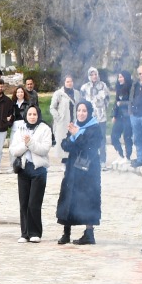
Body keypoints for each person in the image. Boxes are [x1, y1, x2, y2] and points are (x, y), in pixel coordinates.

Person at [56, 100, 103, 247]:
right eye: (79, 111)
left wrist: (78, 136)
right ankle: (66, 232)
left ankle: (89, 233)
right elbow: (65, 144)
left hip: (89, 171)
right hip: (72, 168)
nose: (81, 114)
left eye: (84, 111)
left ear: (89, 112)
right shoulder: (74, 125)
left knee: (88, 199)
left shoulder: (95, 128)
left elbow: (90, 147)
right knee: (69, 198)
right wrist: (75, 137)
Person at [11, 102, 53, 242]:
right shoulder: (20, 129)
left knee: (34, 203)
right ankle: (24, 233)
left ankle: (35, 233)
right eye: (30, 114)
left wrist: (30, 143)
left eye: (35, 114)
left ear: (38, 115)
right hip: (23, 169)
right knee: (23, 203)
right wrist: (25, 145)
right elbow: (14, 150)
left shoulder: (45, 129)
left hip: (38, 170)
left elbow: (44, 149)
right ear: (26, 115)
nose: (32, 117)